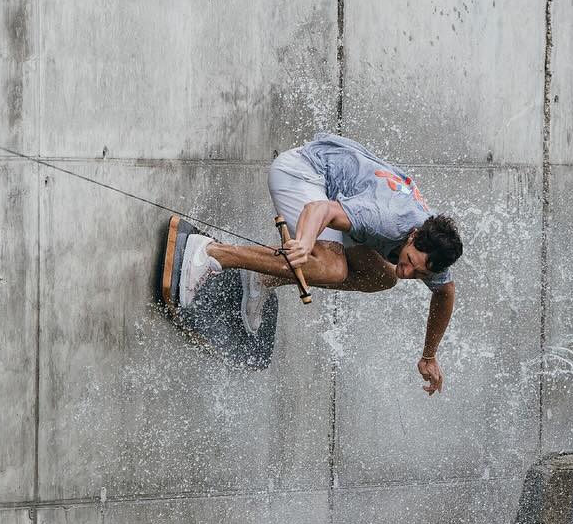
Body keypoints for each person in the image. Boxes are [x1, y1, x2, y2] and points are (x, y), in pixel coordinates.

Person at [179, 132, 463, 394]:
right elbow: (319, 209)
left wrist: (429, 355)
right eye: (410, 261)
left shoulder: (434, 249)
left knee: (384, 277)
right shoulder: (385, 219)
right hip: (301, 172)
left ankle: (262, 278)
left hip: (332, 193)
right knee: (332, 268)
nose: (407, 272)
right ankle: (213, 253)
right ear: (413, 235)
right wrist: (304, 243)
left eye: (418, 274)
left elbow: (445, 292)